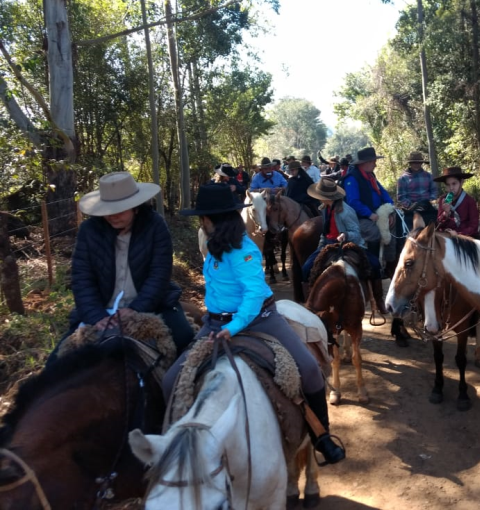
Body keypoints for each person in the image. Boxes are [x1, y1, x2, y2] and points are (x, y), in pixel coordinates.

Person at [164, 185, 345, 465]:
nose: (201, 222)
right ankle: (168, 445)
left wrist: (234, 326)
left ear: (215, 219)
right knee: (170, 380)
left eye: (204, 217)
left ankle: (322, 434)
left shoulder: (244, 249)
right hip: (215, 323)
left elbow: (252, 293)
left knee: (309, 370)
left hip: (260, 319)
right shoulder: (212, 246)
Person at [50, 172, 195, 363]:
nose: (112, 216)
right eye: (107, 210)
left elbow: (159, 273)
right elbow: (82, 278)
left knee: (184, 338)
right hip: (102, 308)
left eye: (119, 210)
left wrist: (137, 308)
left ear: (135, 208)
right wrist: (96, 316)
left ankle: (177, 390)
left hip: (150, 304)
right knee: (55, 363)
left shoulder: (154, 225)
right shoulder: (89, 231)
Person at [341, 146, 408, 346]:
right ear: (363, 163)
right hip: (361, 217)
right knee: (375, 232)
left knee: (400, 227)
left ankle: (393, 259)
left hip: (378, 214)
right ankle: (373, 264)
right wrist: (371, 214)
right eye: (371, 161)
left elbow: (385, 195)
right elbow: (352, 201)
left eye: (374, 161)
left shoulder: (371, 176)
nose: (374, 163)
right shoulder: (352, 179)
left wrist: (390, 210)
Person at [300, 179, 384, 311]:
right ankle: (309, 304)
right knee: (306, 268)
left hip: (348, 244)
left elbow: (356, 233)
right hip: (327, 244)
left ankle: (379, 300)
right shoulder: (324, 209)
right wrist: (320, 247)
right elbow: (325, 232)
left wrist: (345, 235)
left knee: (374, 264)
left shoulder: (346, 211)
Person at [434, 167, 479, 237]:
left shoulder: (469, 201)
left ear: (461, 182)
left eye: (454, 184)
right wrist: (445, 213)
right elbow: (439, 224)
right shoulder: (443, 200)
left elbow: (474, 226)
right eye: (448, 185)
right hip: (446, 237)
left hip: (464, 239)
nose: (451, 188)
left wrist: (458, 234)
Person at [396, 151, 438, 226]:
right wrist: (411, 205)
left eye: (418, 162)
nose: (416, 164)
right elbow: (401, 197)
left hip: (428, 207)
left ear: (421, 163)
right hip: (412, 209)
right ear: (410, 163)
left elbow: (434, 191)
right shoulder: (403, 179)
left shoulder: (428, 176)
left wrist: (431, 201)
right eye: (414, 163)